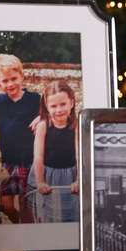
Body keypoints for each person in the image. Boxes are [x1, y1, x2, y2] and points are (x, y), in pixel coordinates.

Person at [0, 54, 41, 223]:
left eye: (14, 79)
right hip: (8, 163)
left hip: (29, 161)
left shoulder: (34, 99)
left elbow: (49, 114)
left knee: (26, 205)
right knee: (6, 205)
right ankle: (17, 222)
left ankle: (26, 233)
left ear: (22, 76)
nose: (10, 84)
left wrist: (42, 118)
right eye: (5, 81)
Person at [30, 80, 80, 224]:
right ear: (47, 106)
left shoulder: (76, 126)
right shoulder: (43, 126)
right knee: (46, 216)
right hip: (46, 174)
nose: (59, 110)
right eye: (53, 106)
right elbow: (38, 157)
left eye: (63, 104)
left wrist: (78, 180)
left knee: (70, 215)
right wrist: (40, 182)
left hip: (69, 176)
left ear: (71, 102)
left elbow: (79, 156)